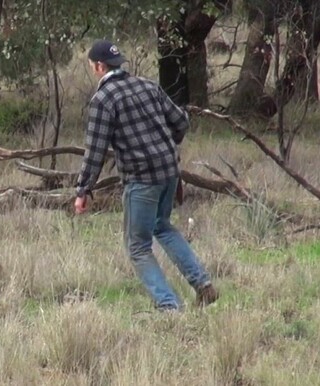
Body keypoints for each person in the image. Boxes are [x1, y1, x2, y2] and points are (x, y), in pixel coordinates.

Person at [74, 39, 218, 311]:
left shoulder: (103, 99)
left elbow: (95, 150)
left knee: (137, 247)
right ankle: (203, 285)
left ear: (100, 67)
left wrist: (83, 190)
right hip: (169, 171)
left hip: (142, 179)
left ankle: (169, 306)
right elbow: (181, 122)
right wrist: (164, 144)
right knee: (161, 225)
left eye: (93, 65)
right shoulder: (148, 86)